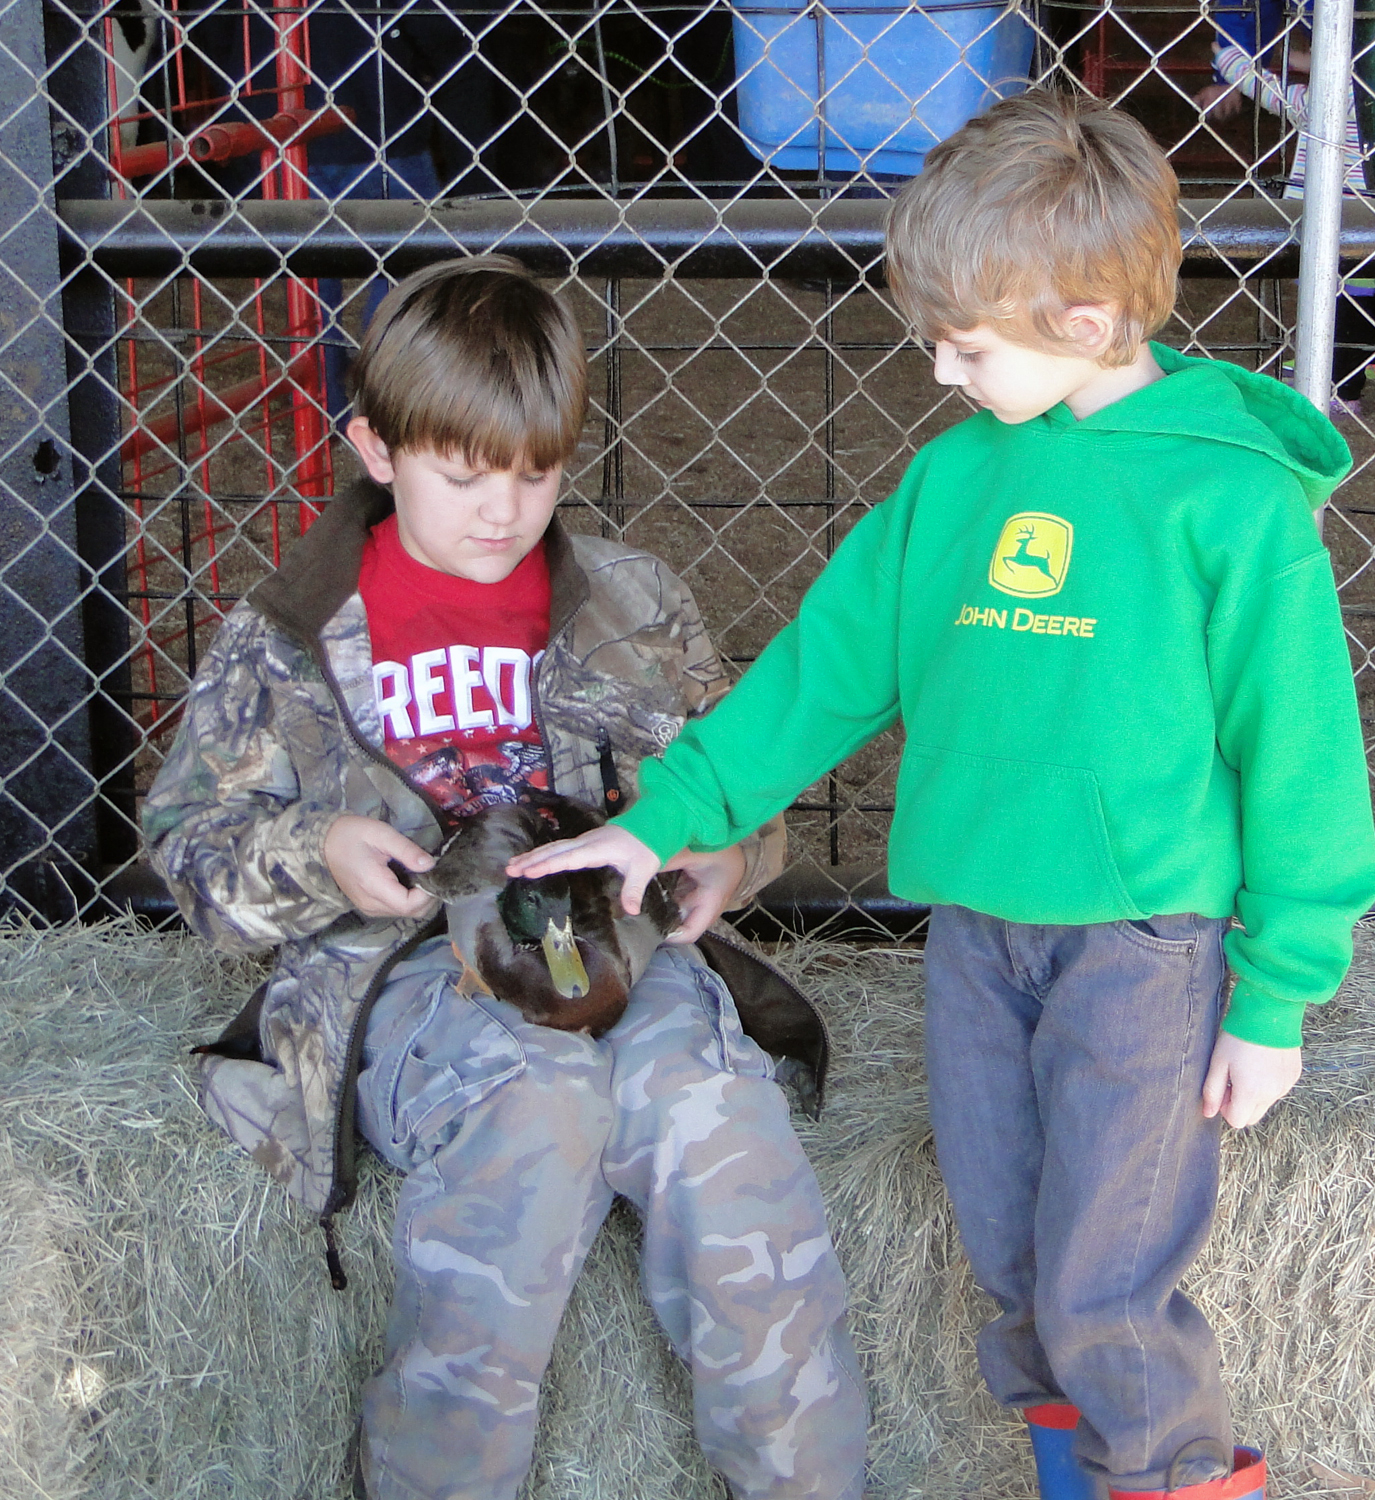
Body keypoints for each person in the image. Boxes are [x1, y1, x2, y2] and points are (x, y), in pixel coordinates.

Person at [509, 90, 1375, 1500]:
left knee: (1108, 1287)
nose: (936, 371)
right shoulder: (951, 483)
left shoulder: (1231, 505)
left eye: (966, 345)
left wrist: (1275, 996)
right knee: (1015, 1267)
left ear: (1089, 324)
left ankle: (1170, 1474)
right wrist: (657, 816)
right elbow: (822, 678)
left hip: (1143, 946)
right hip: (976, 934)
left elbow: (1303, 764)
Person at [142, 255, 866, 1500]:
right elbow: (193, 854)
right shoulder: (291, 636)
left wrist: (724, 861)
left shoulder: (631, 601)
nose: (503, 511)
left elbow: (747, 798)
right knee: (539, 1109)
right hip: (415, 970)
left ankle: (812, 1484)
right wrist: (319, 855)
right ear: (376, 448)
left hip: (616, 945)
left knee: (717, 1120)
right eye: (464, 476)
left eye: (536, 474)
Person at [1194, 0, 1375, 416]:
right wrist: (1286, 57)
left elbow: (1283, 99)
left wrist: (1233, 61)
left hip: (1343, 220)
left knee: (1339, 304)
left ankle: (1339, 387)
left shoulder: (1333, 96)